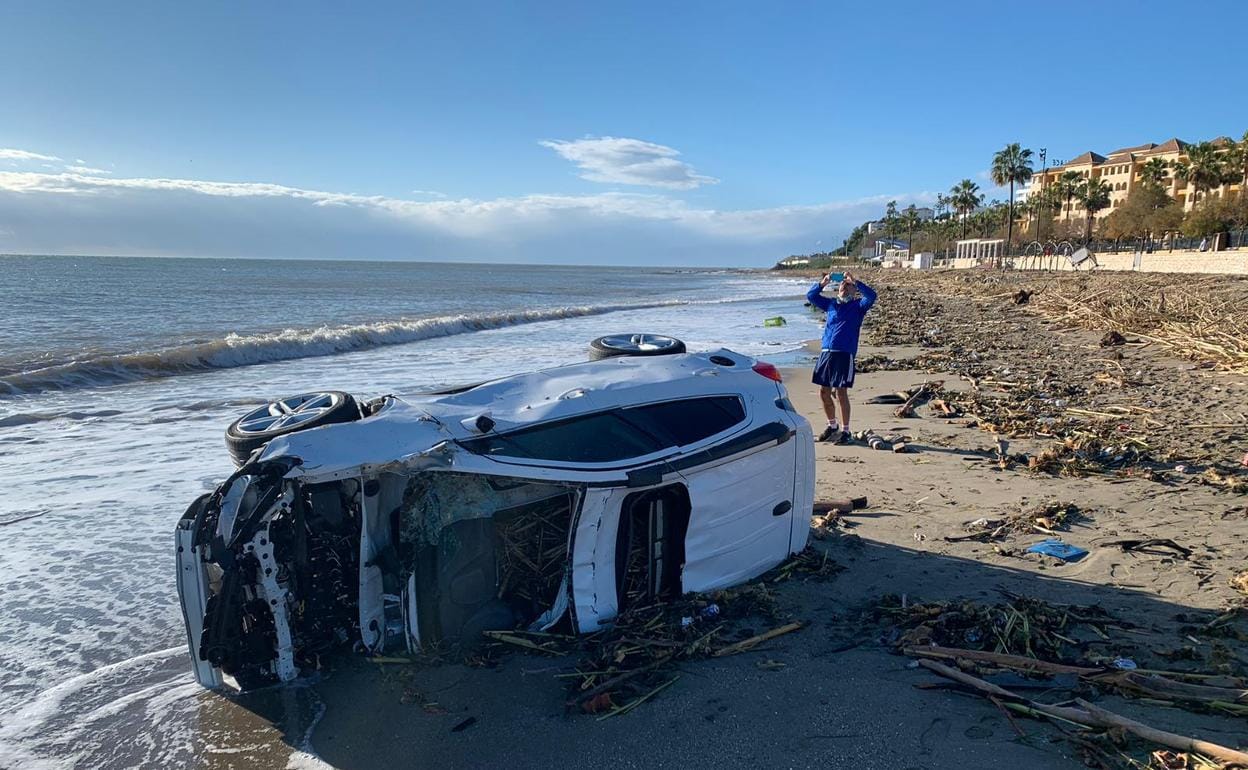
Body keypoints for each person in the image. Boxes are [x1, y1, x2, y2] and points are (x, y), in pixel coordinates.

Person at [805, 270, 877, 443]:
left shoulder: (858, 306)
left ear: (854, 291)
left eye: (848, 285)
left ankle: (845, 431)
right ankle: (832, 426)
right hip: (826, 353)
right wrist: (823, 282)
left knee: (841, 392)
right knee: (824, 392)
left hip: (844, 353)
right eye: (843, 284)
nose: (845, 286)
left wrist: (856, 281)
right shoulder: (831, 305)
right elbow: (811, 296)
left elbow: (872, 296)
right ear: (838, 289)